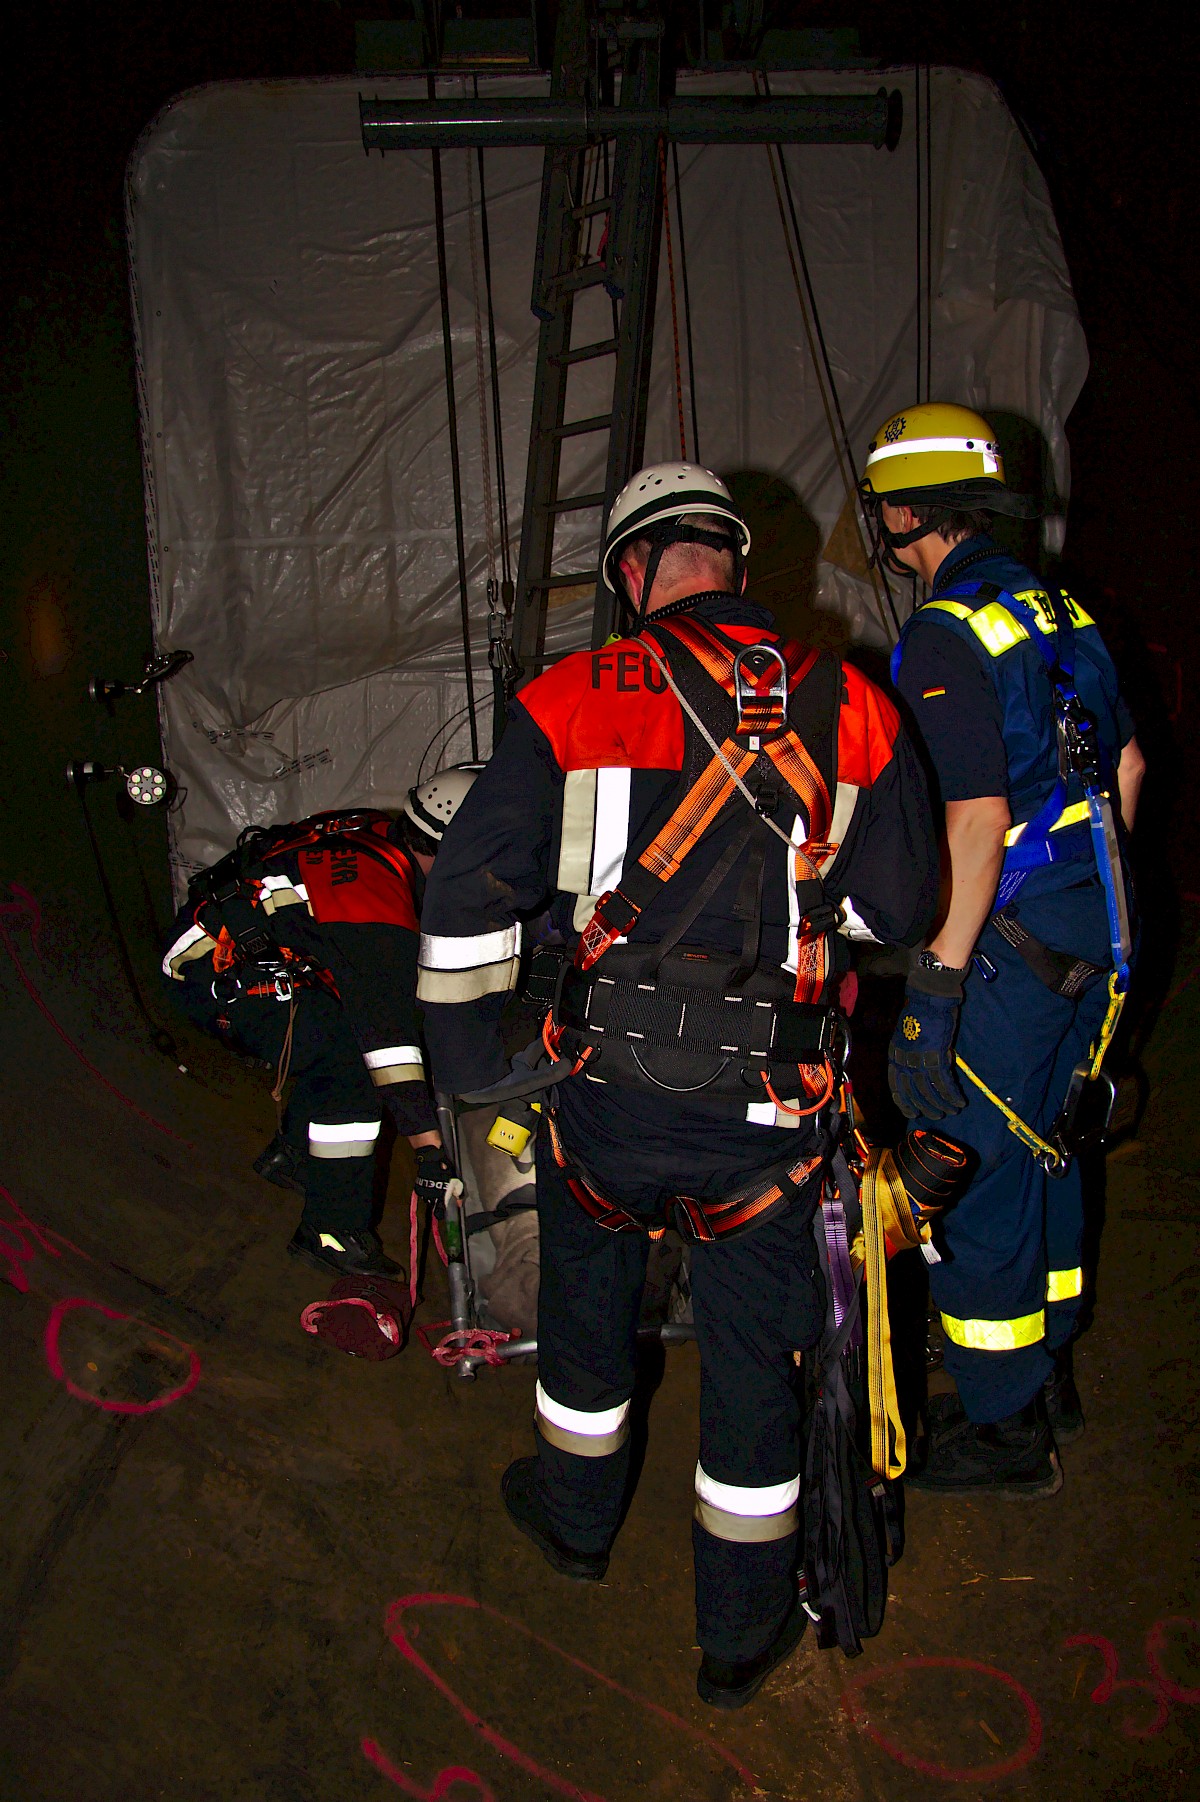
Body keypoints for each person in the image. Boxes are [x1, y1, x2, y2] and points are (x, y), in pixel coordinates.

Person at [418, 463, 938, 1707]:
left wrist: (479, 1067)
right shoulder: (855, 705)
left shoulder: (568, 695)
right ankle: (739, 1627)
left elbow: (469, 895)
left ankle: (576, 1522)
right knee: (760, 1367)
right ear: (736, 568)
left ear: (633, 573)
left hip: (604, 1099)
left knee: (590, 1319)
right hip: (771, 1116)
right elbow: (899, 907)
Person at [859, 402, 1145, 1496]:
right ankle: (1046, 1367)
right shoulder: (1059, 607)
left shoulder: (942, 631)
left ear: (907, 510)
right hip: (1101, 920)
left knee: (972, 1159)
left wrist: (934, 979)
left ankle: (1004, 1426)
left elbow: (972, 820)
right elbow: (1124, 774)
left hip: (1013, 937)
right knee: (1050, 1139)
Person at [161, 771, 476, 1277]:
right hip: (210, 970)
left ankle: (294, 1155)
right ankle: (331, 1231)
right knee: (351, 1065)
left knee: (338, 1027)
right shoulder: (372, 903)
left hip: (224, 942)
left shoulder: (381, 836)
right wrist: (430, 1151)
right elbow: (387, 1039)